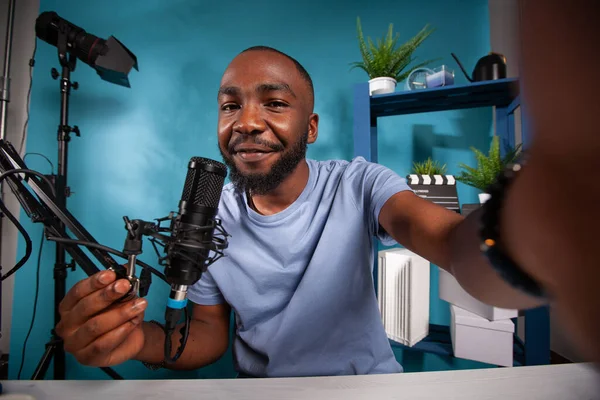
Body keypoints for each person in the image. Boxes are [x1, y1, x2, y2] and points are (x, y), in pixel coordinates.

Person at [55, 0, 600, 376]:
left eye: (273, 102)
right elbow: (207, 335)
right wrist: (137, 341)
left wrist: (521, 237)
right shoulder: (208, 215)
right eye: (229, 106)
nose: (246, 121)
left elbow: (450, 242)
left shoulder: (359, 184)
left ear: (310, 128)